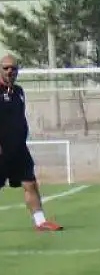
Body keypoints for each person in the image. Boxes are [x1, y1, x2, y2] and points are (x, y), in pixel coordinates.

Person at [0, 54, 63, 231]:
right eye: (6, 68)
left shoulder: (19, 91)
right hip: (1, 150)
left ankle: (40, 222)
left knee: (30, 184)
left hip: (19, 149)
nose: (10, 71)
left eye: (13, 68)